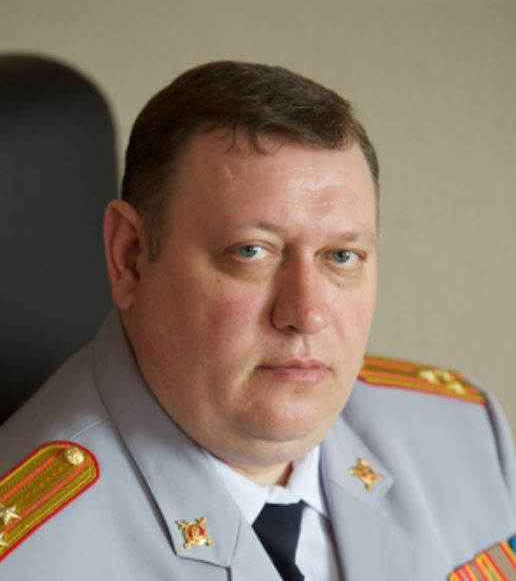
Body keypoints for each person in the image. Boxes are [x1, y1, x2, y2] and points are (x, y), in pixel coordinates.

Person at [0, 61, 514, 581]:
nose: (306, 314)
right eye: (252, 251)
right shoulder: (30, 557)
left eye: (341, 256)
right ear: (130, 256)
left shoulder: (468, 436)